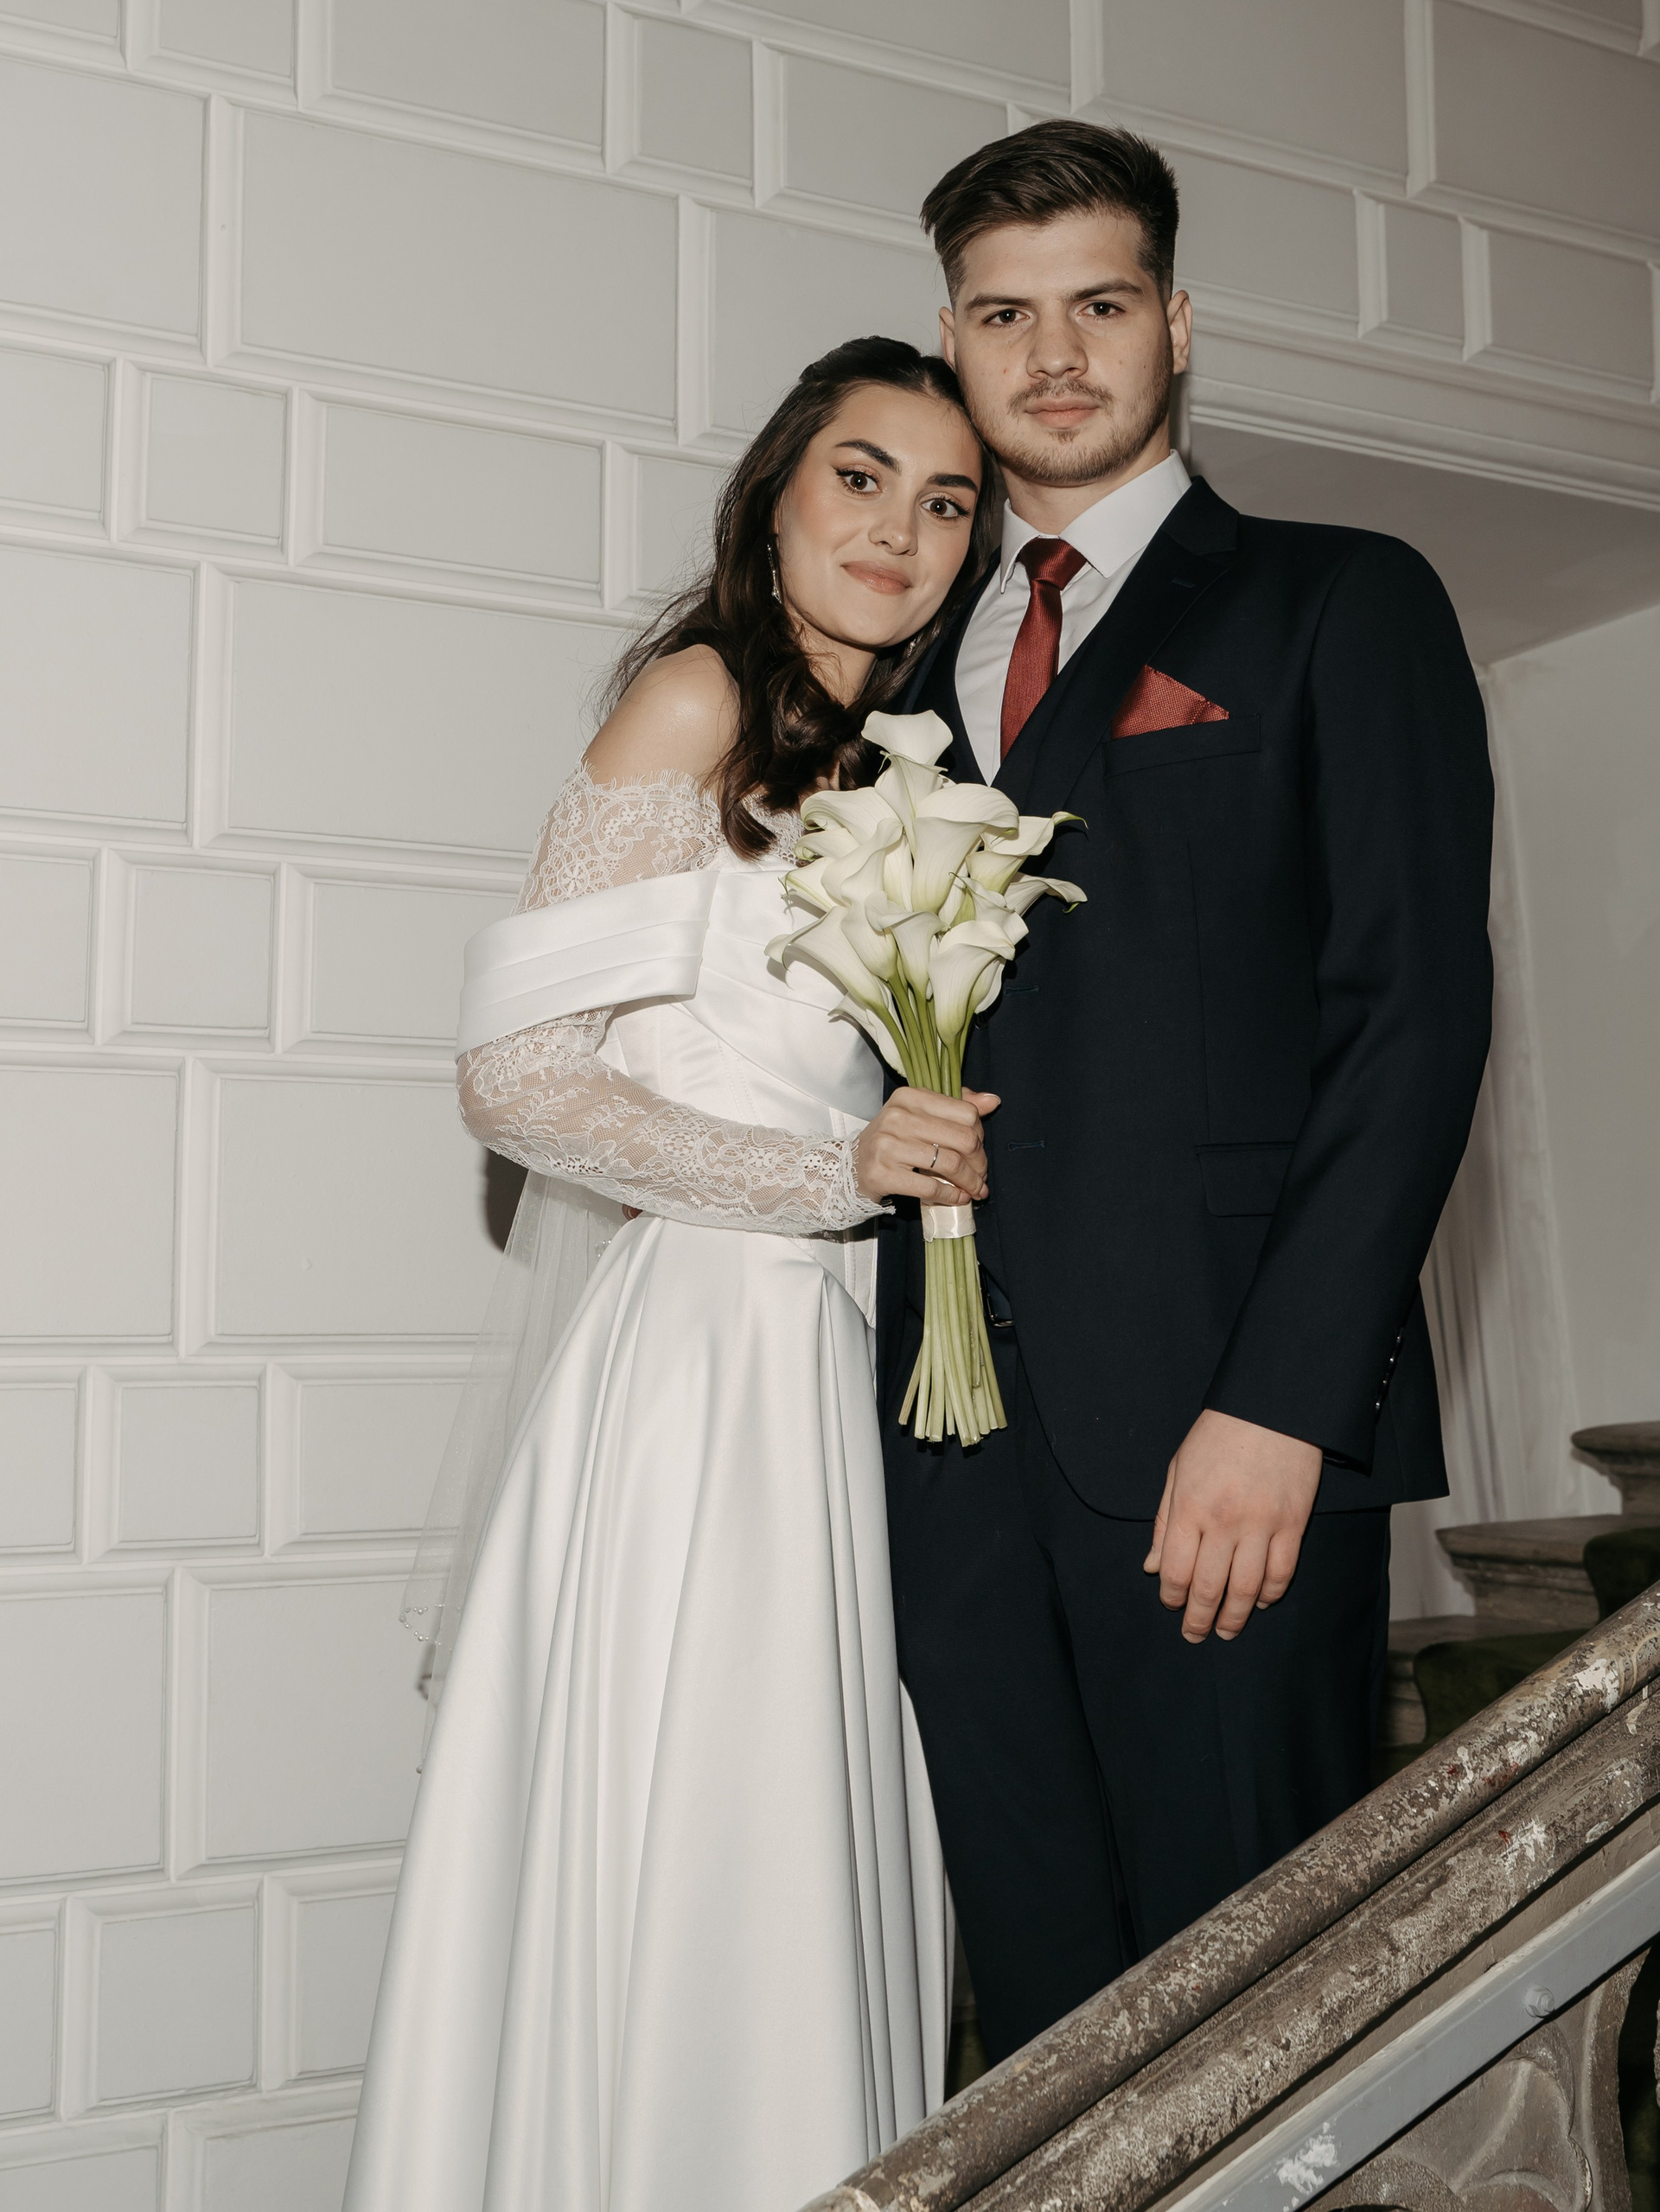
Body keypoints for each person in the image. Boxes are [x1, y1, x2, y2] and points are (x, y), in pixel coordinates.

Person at [342, 337, 1002, 2212]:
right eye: (860, 478)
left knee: (814, 1823)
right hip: (707, 1362)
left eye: (944, 500)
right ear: (775, 494)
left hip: (847, 1360)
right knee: (712, 1811)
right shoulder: (697, 697)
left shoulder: (903, 773)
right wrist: (829, 1176)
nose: (898, 530)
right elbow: (519, 1078)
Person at [878, 122, 1494, 2066]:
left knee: (1253, 2026)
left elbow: (1412, 1018)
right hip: (945, 1451)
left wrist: (1286, 1402)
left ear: (1180, 321)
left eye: (1102, 303)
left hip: (1222, 1440)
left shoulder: (1340, 598)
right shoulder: (895, 658)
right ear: (953, 340)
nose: (1054, 354)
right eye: (1004, 315)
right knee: (1043, 2030)